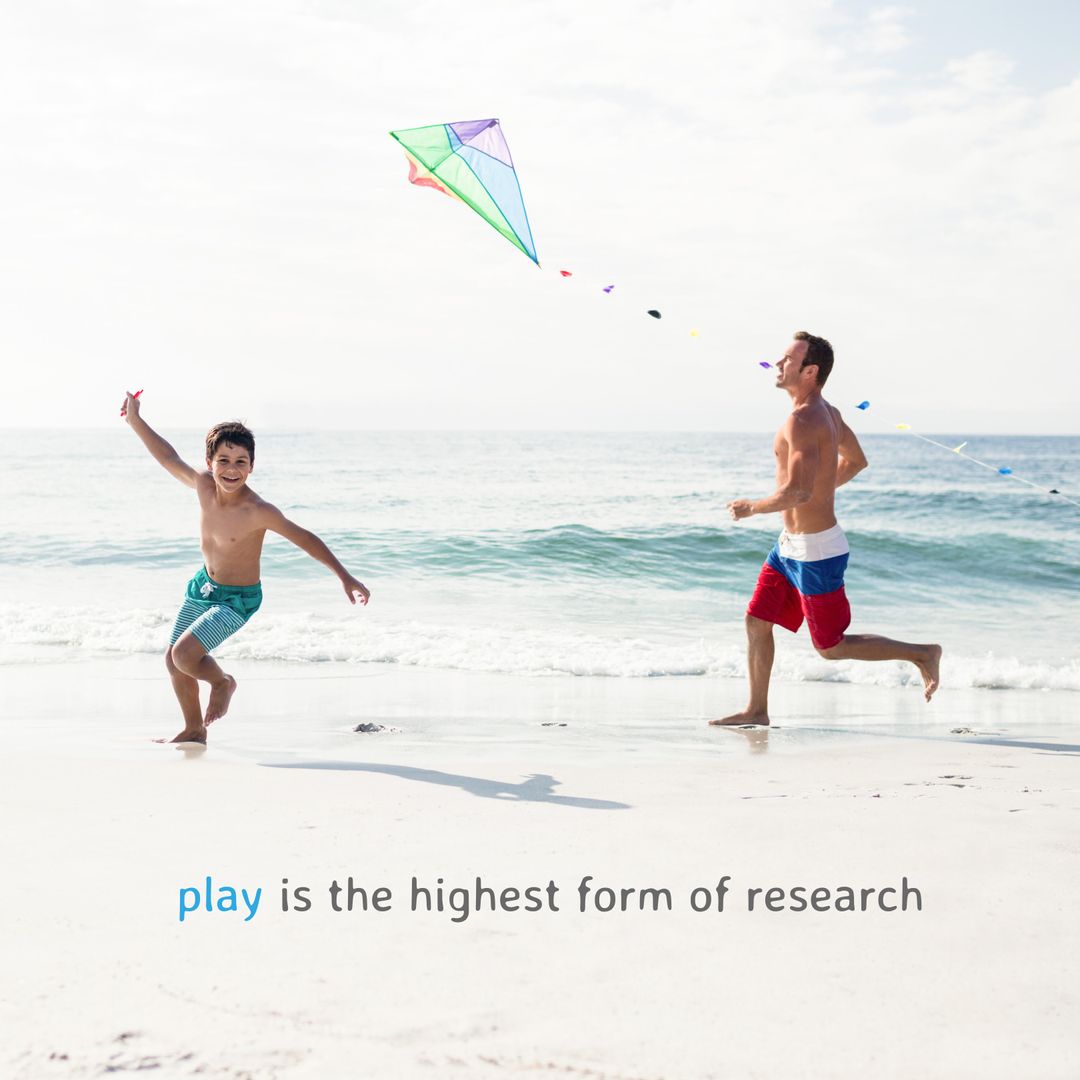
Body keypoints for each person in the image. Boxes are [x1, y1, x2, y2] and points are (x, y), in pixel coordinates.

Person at [712, 332, 940, 726]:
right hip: (789, 547)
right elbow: (855, 461)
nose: (778, 364)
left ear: (810, 370)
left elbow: (797, 491)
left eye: (787, 359)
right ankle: (757, 710)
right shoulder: (828, 413)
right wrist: (818, 491)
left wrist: (752, 507)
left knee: (830, 648)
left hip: (817, 550)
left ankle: (922, 653)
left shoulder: (804, 419)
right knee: (756, 620)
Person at [122, 392, 370, 744]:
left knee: (184, 655)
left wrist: (344, 576)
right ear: (210, 462)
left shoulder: (258, 510)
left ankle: (223, 682)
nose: (232, 469)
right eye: (224, 460)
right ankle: (194, 730)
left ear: (252, 466)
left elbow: (305, 538)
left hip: (237, 600)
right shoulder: (203, 486)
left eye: (241, 461)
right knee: (173, 659)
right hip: (203, 587)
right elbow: (168, 456)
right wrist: (135, 420)